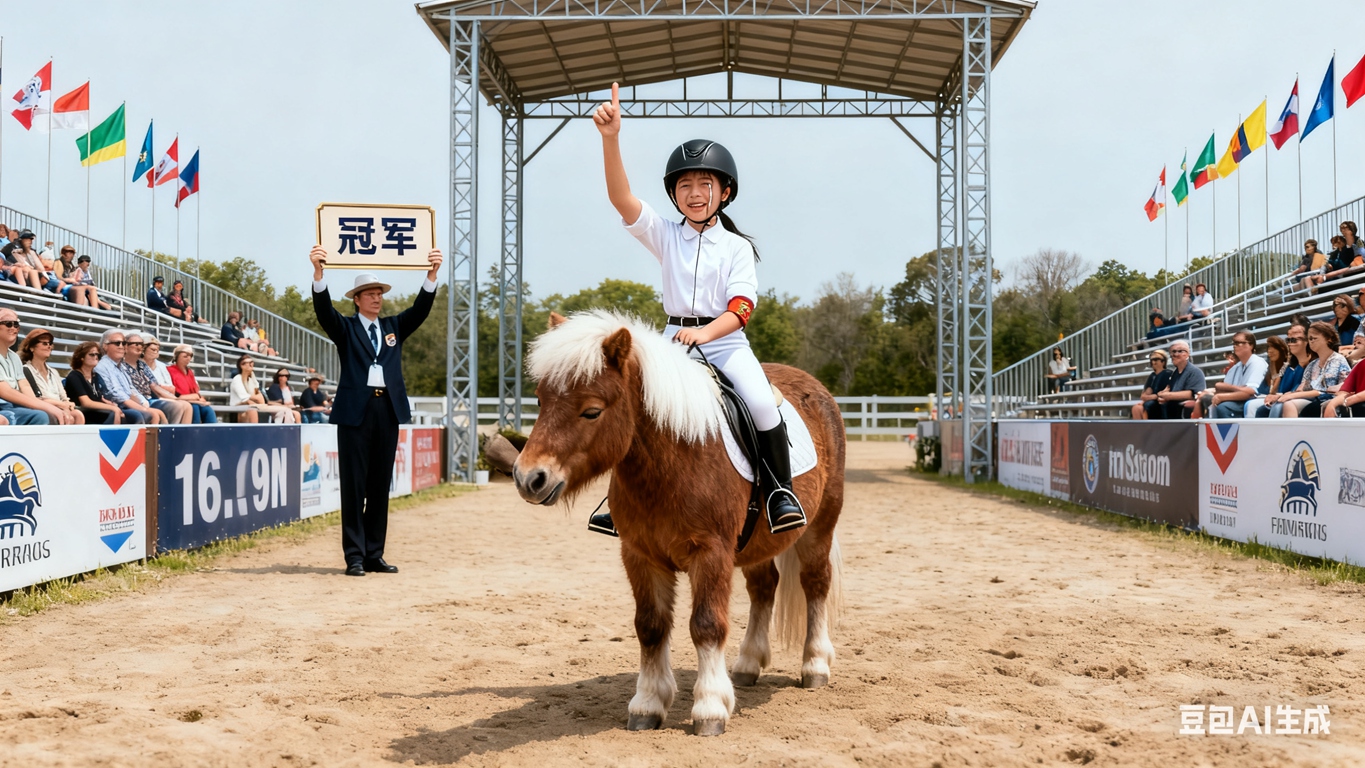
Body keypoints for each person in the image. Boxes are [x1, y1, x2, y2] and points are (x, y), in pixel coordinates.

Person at [590, 84, 808, 538]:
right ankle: (617, 501)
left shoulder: (737, 248)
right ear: (674, 193)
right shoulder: (665, 234)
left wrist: (706, 335)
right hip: (672, 343)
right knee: (634, 408)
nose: (694, 192)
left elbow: (741, 308)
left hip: (725, 343)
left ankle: (778, 491)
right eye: (685, 184)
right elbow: (620, 199)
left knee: (763, 405)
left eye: (704, 183)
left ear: (724, 192)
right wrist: (611, 139)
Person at [310, 242, 442, 577]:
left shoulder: (393, 327)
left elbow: (420, 311)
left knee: (380, 484)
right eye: (369, 293)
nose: (376, 298)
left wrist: (431, 276)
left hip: (388, 410)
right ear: (356, 299)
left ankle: (374, 553)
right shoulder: (347, 328)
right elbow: (325, 313)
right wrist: (318, 275)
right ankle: (354, 555)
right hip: (356, 411)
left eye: (379, 293)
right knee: (354, 484)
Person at [1278, 321, 1351, 418]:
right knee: (1281, 404)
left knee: (1289, 403)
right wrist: (1288, 394)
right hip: (1314, 398)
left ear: (1328, 339)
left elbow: (1325, 390)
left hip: (1331, 400)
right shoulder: (1312, 364)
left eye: (1314, 338)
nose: (1311, 341)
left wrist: (1292, 396)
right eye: (1309, 339)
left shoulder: (1337, 360)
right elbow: (1302, 389)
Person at [94, 329, 166, 425]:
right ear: (105, 346)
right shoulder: (102, 366)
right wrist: (142, 409)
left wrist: (143, 402)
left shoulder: (120, 366)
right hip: (116, 406)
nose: (121, 347)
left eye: (123, 343)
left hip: (127, 404)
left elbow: (131, 389)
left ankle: (158, 439)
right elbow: (115, 393)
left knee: (158, 413)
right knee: (148, 414)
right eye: (117, 343)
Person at [0, 308, 59, 425]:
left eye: (16, 324)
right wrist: (46, 406)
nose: (13, 328)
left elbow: (25, 387)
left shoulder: (14, 357)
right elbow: (4, 391)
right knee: (40, 416)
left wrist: (42, 407)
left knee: (44, 415)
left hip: (12, 405)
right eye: (8, 324)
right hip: (4, 407)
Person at [1193, 331, 1268, 419]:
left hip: (1254, 401)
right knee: (1206, 398)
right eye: (1234, 343)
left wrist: (1224, 393)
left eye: (1238, 343)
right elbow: (1222, 390)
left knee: (1223, 407)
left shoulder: (1257, 362)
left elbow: (1251, 393)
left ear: (1250, 345)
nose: (1234, 345)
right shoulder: (1235, 368)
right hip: (1237, 399)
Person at [19, 328, 83, 425]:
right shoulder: (25, 370)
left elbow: (63, 397)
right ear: (32, 348)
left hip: (60, 407)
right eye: (44, 343)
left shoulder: (54, 372)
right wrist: (62, 405)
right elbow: (35, 399)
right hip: (42, 408)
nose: (49, 346)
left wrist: (67, 405)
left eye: (50, 343)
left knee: (78, 414)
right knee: (61, 416)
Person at [123, 332, 191, 424]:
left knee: (186, 405)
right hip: (138, 401)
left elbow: (155, 386)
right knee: (177, 406)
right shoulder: (121, 366)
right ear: (126, 347)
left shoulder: (141, 365)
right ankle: (170, 432)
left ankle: (179, 434)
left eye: (141, 344)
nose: (139, 347)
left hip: (150, 398)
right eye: (136, 344)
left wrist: (176, 398)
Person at [1254, 323, 1309, 418]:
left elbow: (1301, 388)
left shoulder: (1313, 362)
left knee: (1277, 406)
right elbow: (1282, 389)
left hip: (1304, 398)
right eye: (1289, 339)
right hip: (1288, 397)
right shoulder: (1289, 366)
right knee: (1262, 409)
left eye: (1295, 336)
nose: (1291, 341)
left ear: (1307, 339)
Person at [64, 341, 122, 424]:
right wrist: (112, 408)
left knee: (129, 415)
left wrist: (110, 404)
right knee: (113, 413)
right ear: (82, 357)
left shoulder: (96, 376)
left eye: (97, 355)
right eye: (92, 354)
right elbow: (86, 403)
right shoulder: (74, 376)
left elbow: (99, 397)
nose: (96, 357)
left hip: (95, 410)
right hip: (83, 411)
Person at [1149, 340, 1205, 419]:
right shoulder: (1175, 374)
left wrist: (1167, 395)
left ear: (1187, 354)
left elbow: (1194, 394)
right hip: (1171, 409)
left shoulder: (1195, 372)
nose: (1175, 355)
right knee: (1150, 406)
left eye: (1179, 351)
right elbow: (1168, 390)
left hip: (1183, 412)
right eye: (1172, 352)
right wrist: (1163, 395)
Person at [229, 355, 293, 423]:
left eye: (252, 362)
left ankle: (280, 430)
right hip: (238, 410)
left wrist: (260, 403)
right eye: (249, 362)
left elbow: (258, 396)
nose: (252, 364)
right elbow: (245, 399)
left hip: (253, 405)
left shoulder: (252, 379)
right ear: (242, 365)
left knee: (285, 410)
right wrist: (258, 402)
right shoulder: (237, 379)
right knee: (253, 410)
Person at [166, 344, 218, 423]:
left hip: (193, 400)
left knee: (208, 410)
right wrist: (196, 398)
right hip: (179, 400)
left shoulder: (189, 372)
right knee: (195, 408)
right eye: (185, 356)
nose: (189, 358)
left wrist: (198, 397)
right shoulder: (169, 370)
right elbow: (176, 395)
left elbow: (195, 392)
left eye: (190, 356)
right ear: (177, 356)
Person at [1243, 335, 1290, 417]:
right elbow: (1261, 391)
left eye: (1273, 348)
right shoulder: (1268, 369)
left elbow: (1285, 390)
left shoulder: (1288, 368)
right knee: (1249, 403)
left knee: (1251, 405)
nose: (1270, 351)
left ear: (1281, 349)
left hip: (1280, 399)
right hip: (1265, 398)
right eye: (1268, 348)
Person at [1130, 349, 1172, 420]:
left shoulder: (1168, 374)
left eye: (1156, 359)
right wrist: (1154, 396)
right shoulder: (1152, 376)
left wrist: (1154, 396)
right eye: (1151, 360)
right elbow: (1144, 395)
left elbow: (1166, 392)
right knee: (1136, 408)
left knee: (1147, 406)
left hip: (1162, 402)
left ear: (1163, 361)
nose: (1153, 362)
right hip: (1153, 400)